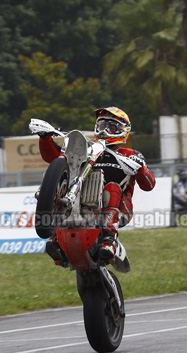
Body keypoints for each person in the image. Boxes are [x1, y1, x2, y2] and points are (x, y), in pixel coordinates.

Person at [37, 107, 156, 263]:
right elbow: (55, 157)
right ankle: (56, 234)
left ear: (122, 130)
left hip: (119, 208)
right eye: (102, 125)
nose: (105, 130)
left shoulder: (130, 154)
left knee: (111, 187)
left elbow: (149, 185)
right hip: (84, 202)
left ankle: (109, 240)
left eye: (111, 127)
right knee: (67, 180)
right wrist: (45, 139)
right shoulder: (88, 148)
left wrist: (141, 169)